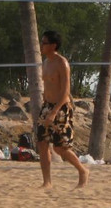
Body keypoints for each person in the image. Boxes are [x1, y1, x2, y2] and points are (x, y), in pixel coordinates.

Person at [36, 30, 89, 189]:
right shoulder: (45, 63)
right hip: (47, 106)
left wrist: (54, 112)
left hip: (61, 108)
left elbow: (66, 91)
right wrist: (46, 107)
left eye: (44, 43)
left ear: (53, 45)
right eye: (41, 42)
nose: (41, 45)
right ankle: (47, 182)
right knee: (42, 143)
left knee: (60, 148)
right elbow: (48, 86)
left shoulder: (62, 63)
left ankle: (82, 170)